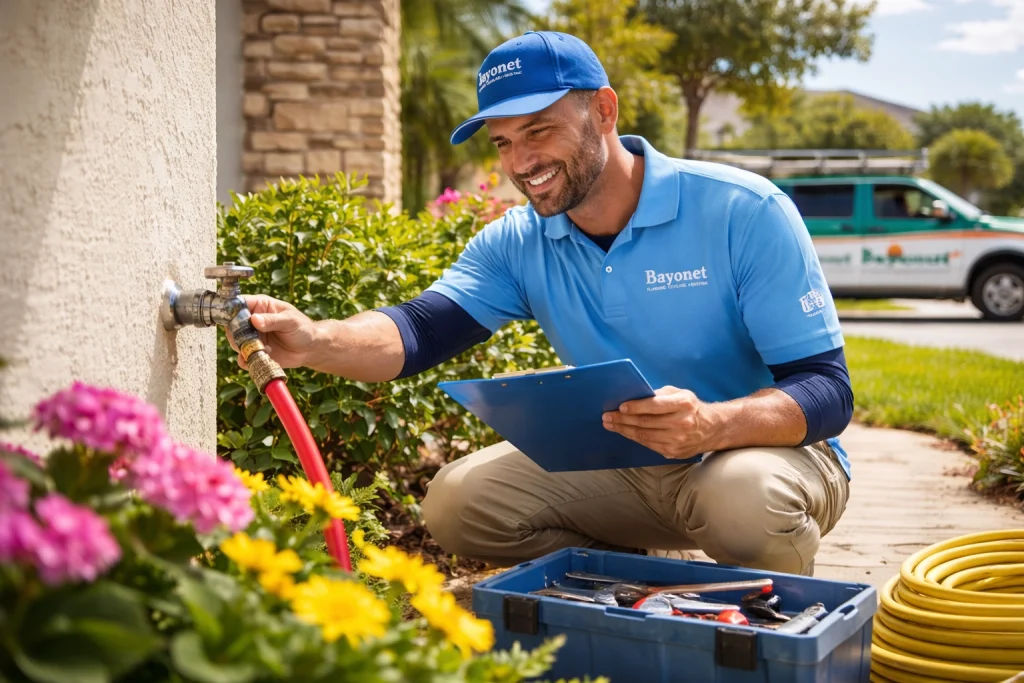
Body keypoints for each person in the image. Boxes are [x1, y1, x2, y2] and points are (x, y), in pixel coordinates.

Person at [233, 31, 853, 577]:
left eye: (539, 131)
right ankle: (638, 588)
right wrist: (316, 340)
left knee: (743, 498)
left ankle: (777, 625)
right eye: (503, 142)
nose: (521, 163)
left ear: (603, 110)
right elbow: (418, 331)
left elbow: (827, 391)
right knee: (458, 503)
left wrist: (710, 425)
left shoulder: (743, 211)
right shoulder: (518, 241)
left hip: (762, 452)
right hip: (625, 460)